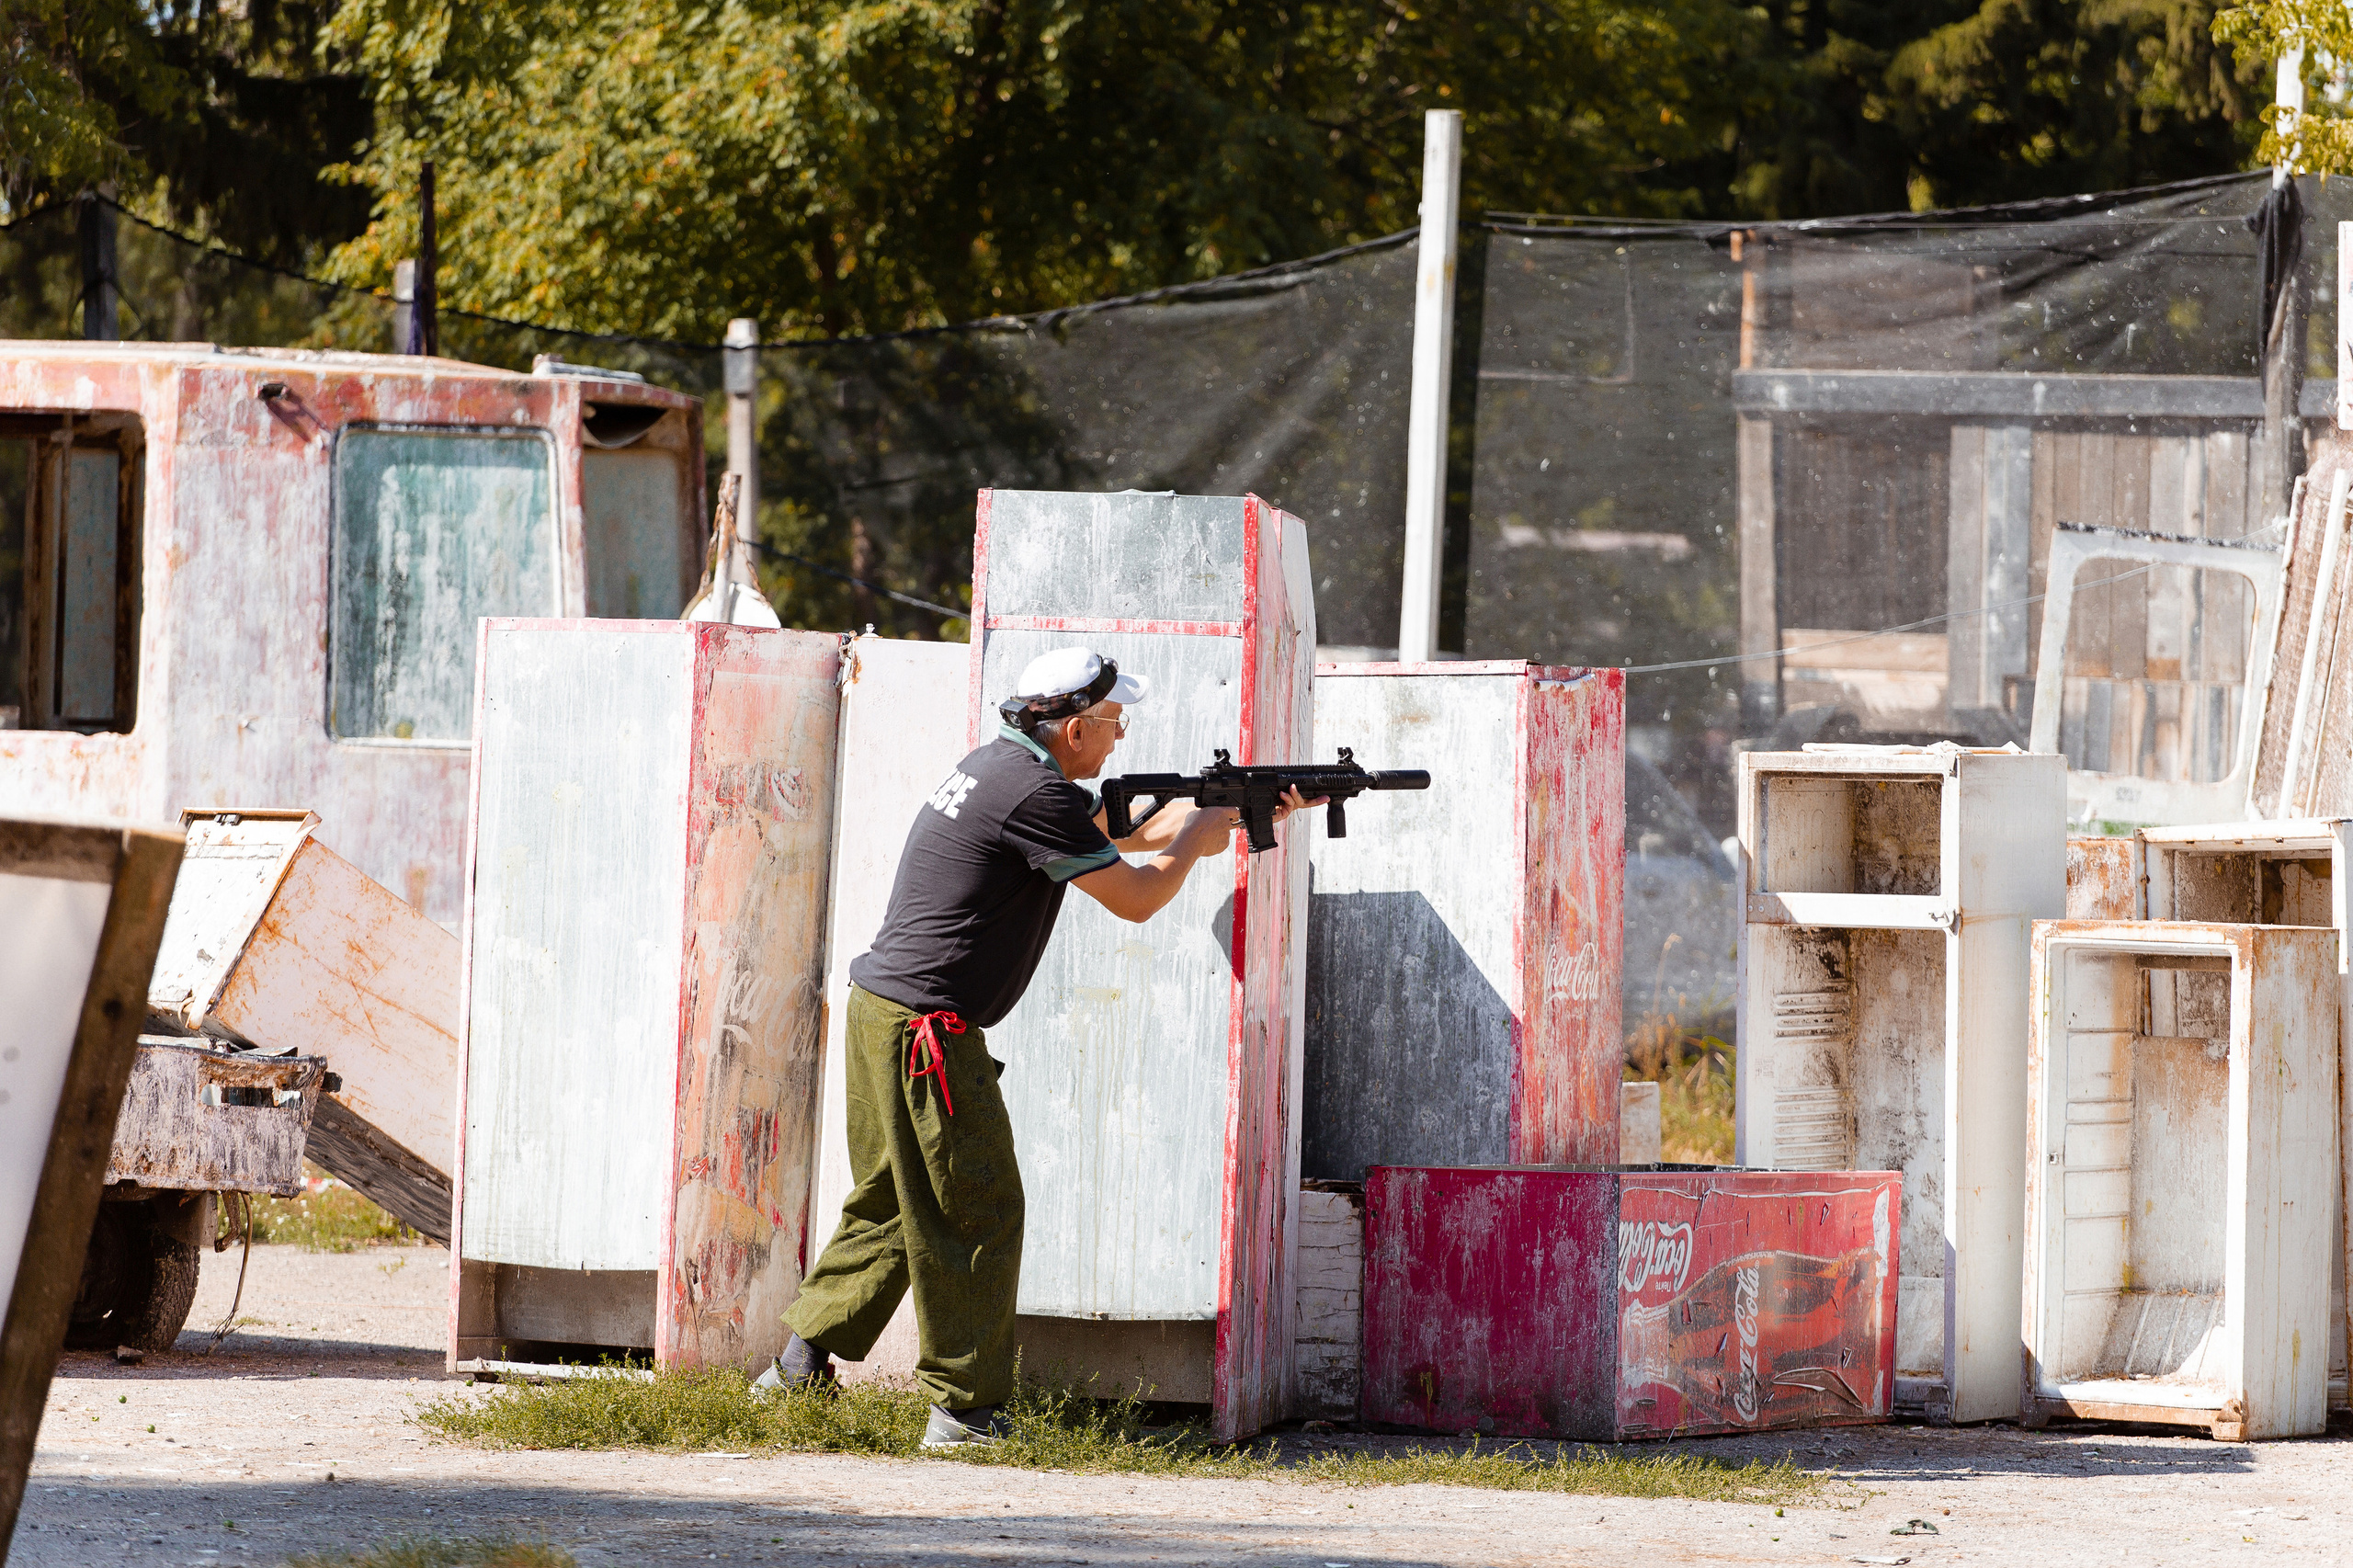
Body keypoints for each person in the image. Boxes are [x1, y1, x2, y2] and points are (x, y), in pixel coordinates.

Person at [767, 646, 1315, 1448]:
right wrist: (1194, 841)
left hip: (884, 1013)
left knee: (897, 1200)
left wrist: (1223, 812)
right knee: (977, 1207)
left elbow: (1107, 831)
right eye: (1113, 722)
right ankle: (967, 1412)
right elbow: (1133, 898)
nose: (1119, 738)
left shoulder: (1001, 770)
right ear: (1075, 726)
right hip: (927, 1035)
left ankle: (793, 1371)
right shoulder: (1033, 792)